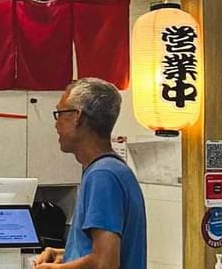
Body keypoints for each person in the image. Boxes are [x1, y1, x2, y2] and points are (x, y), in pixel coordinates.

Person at [35, 78, 146, 269]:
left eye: (60, 114)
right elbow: (101, 252)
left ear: (77, 117)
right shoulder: (115, 170)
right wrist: (64, 254)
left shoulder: (102, 176)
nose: (56, 125)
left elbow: (106, 263)